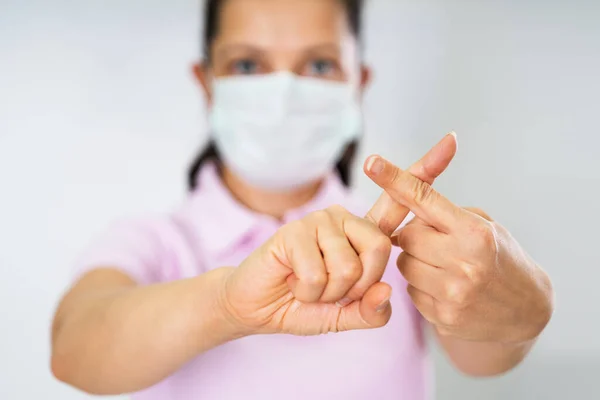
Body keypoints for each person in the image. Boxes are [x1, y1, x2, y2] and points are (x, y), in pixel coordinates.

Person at [50, 0, 554, 399]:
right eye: (247, 64)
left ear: (359, 83)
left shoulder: (404, 241)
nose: (283, 92)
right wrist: (226, 305)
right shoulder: (154, 243)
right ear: (206, 84)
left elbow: (484, 359)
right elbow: (73, 350)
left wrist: (519, 310)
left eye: (318, 63)